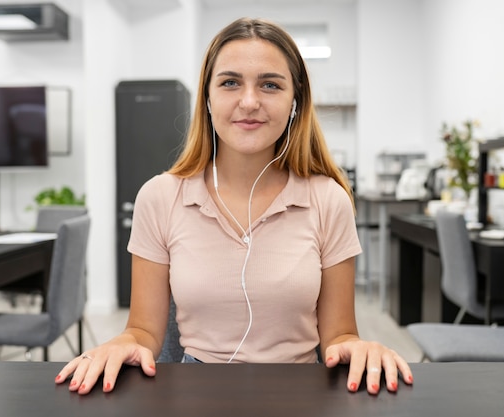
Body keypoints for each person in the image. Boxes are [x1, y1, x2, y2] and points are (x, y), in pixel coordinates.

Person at [56, 17, 413, 396]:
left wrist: (359, 347)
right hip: (195, 394)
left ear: (295, 101)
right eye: (230, 82)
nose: (249, 102)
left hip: (300, 394)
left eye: (270, 85)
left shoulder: (328, 199)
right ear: (207, 98)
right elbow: (143, 332)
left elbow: (340, 335)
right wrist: (123, 342)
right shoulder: (160, 197)